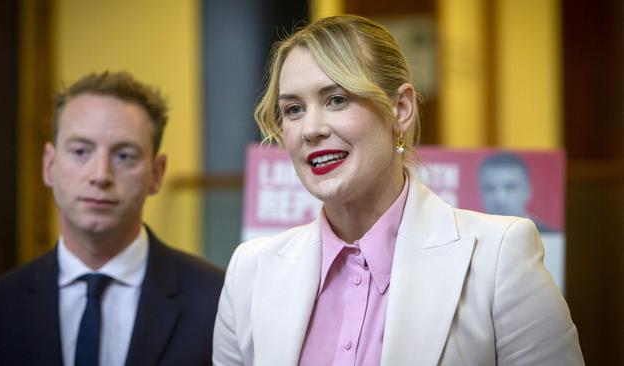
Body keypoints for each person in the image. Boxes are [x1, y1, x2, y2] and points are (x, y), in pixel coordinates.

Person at [213, 15, 583, 365]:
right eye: (293, 109)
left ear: (401, 109)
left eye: (336, 99)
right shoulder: (250, 270)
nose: (311, 128)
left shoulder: (499, 257)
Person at [0, 71, 224, 366]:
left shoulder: (216, 300)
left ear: (156, 174)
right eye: (81, 151)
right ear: (49, 165)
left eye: (124, 156)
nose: (100, 175)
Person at [479, 152, 555, 232]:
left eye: (510, 187)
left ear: (527, 191)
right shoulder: (470, 236)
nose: (500, 198)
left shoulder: (552, 236)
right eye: (490, 188)